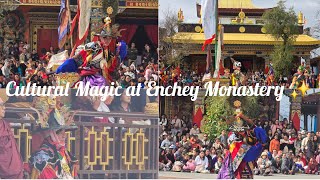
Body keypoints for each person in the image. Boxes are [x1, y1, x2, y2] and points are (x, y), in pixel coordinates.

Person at [56, 15, 126, 86]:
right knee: (102, 82)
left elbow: (112, 68)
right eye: (105, 37)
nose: (107, 40)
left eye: (109, 38)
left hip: (103, 77)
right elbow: (77, 60)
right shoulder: (93, 47)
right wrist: (63, 68)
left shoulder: (108, 52)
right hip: (90, 77)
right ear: (100, 37)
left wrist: (120, 51)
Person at [28, 96, 78, 179]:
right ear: (51, 133)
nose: (64, 135)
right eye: (59, 132)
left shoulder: (64, 152)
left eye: (64, 131)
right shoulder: (42, 156)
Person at [0, 97, 23, 178]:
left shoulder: (4, 124)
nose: (4, 108)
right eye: (1, 105)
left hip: (15, 168)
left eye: (4, 105)